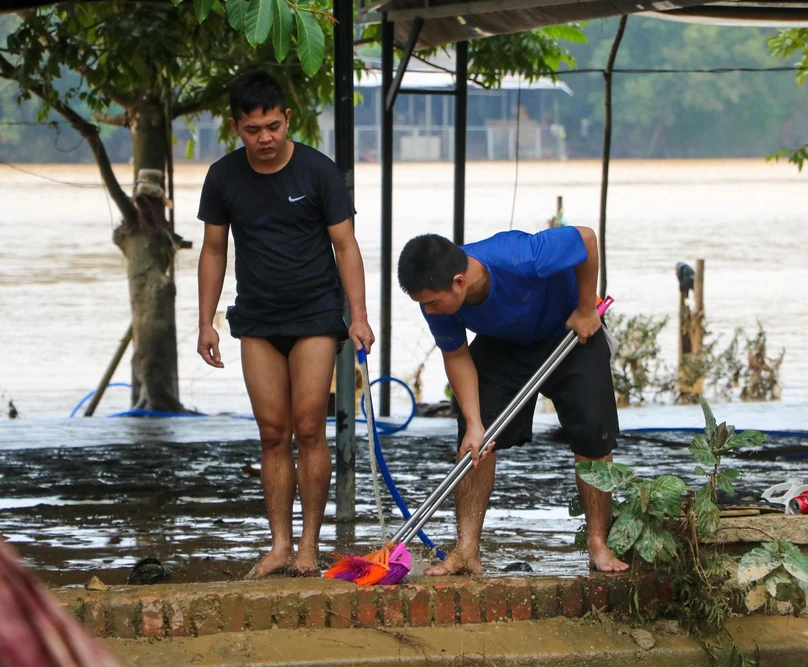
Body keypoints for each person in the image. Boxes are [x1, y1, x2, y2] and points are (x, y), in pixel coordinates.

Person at [196, 71, 374, 579]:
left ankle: (309, 547)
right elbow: (213, 251)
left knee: (309, 427)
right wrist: (205, 322)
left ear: (287, 118)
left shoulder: (318, 172)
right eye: (253, 130)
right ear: (235, 126)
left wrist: (359, 316)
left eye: (273, 126)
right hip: (257, 317)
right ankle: (279, 544)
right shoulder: (223, 177)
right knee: (273, 433)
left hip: (315, 315)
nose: (265, 138)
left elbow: (346, 246)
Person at [396, 227, 627, 575]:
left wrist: (585, 307)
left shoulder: (522, 256)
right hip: (503, 341)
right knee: (474, 442)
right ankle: (467, 549)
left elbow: (587, 240)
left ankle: (598, 544)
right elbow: (456, 355)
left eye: (431, 302)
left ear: (459, 282)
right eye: (423, 303)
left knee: (593, 434)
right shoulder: (438, 303)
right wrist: (474, 423)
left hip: (568, 329)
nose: (428, 310)